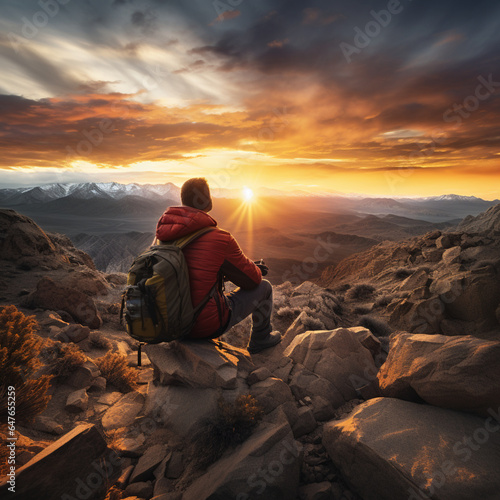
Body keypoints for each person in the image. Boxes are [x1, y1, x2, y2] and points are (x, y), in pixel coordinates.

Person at [155, 177, 281, 353]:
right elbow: (252, 281)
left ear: (183, 201)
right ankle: (261, 338)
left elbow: (190, 271)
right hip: (202, 326)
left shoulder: (162, 236)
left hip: (167, 323)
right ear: (208, 201)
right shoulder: (220, 238)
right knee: (264, 287)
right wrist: (254, 269)